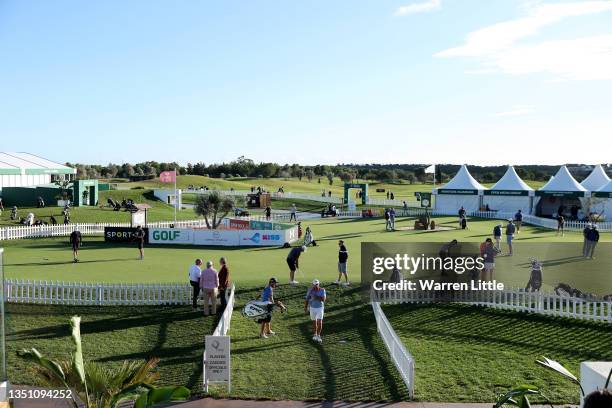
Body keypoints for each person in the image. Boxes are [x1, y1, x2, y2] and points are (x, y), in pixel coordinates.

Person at [304, 279, 326, 343]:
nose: (315, 286)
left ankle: (319, 335)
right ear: (312, 284)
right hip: (312, 308)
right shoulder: (310, 290)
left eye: (316, 284)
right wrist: (305, 307)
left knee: (320, 321)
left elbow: (324, 299)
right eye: (314, 284)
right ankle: (315, 334)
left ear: (318, 284)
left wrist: (316, 297)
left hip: (320, 308)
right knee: (314, 322)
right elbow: (307, 299)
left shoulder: (322, 290)